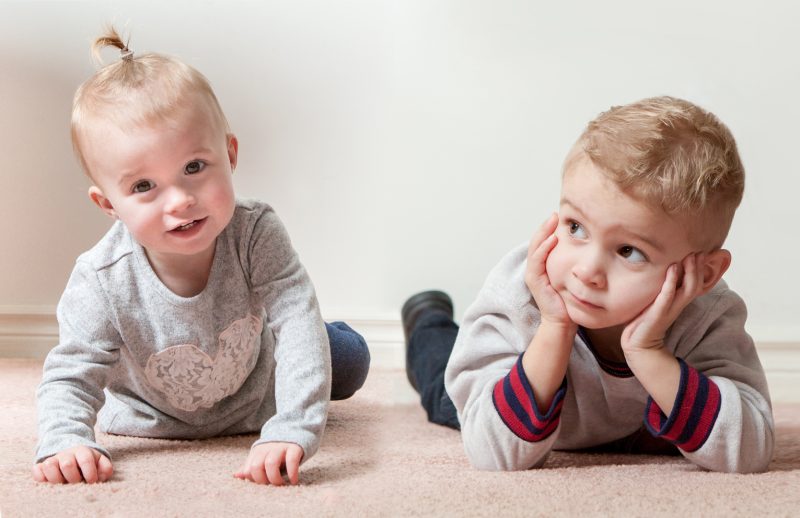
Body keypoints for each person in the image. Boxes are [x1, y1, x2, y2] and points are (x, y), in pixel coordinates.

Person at [32, 28, 370, 486]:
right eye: (143, 187)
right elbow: (70, 374)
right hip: (152, 410)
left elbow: (294, 315)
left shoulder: (253, 230)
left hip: (257, 380)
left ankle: (337, 336)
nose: (179, 201)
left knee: (347, 357)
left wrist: (292, 428)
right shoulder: (100, 279)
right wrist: (64, 439)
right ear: (109, 205)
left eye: (194, 168)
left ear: (229, 154)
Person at [403, 96, 774, 474]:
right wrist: (555, 327)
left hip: (635, 426)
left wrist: (647, 351)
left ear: (705, 274)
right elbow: (492, 454)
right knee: (440, 391)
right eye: (575, 227)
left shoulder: (707, 315)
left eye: (629, 251)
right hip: (513, 393)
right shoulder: (519, 296)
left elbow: (752, 450)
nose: (586, 271)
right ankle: (427, 319)